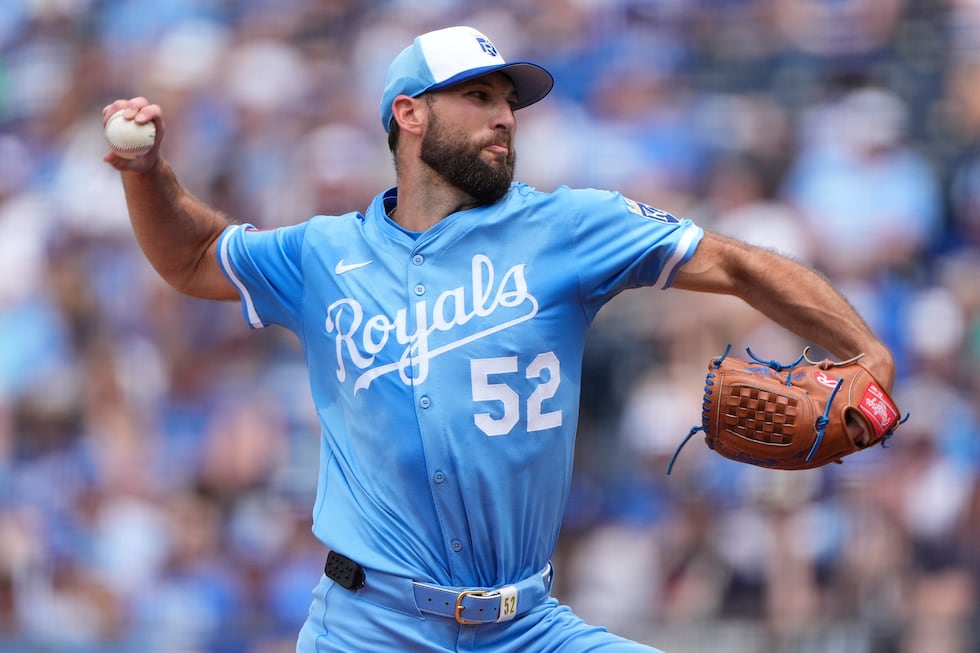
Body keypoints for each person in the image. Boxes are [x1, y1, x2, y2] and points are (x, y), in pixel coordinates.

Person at [103, 25, 896, 653]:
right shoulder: (322, 254)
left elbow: (734, 263)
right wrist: (148, 176)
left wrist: (868, 350)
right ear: (409, 113)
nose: (505, 117)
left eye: (509, 102)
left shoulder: (568, 227)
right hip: (368, 627)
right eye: (478, 97)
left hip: (528, 626)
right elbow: (197, 255)